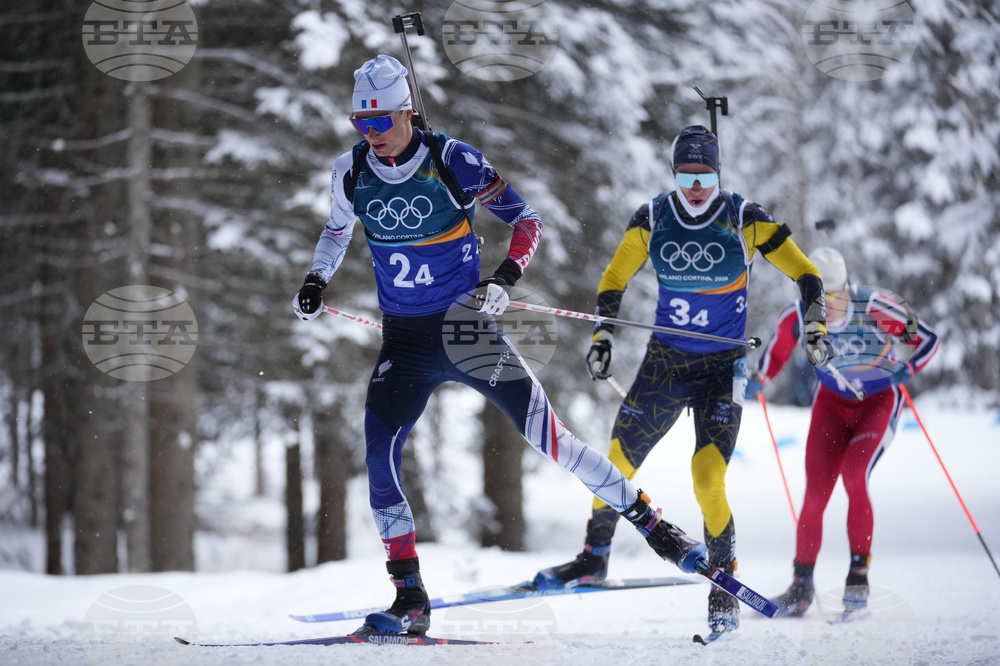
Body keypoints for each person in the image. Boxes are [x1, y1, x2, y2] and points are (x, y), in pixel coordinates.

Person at [293, 55, 709, 637]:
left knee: (551, 440)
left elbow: (527, 221)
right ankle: (410, 598)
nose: (373, 135)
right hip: (404, 343)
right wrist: (315, 281)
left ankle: (656, 527)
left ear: (407, 111)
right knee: (379, 461)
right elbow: (336, 231)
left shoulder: (452, 160)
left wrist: (503, 281)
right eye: (362, 124)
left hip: (468, 332)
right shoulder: (350, 171)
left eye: (382, 122)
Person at [530, 125, 835, 637]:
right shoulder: (653, 218)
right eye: (686, 176)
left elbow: (806, 273)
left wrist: (817, 326)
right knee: (617, 460)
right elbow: (613, 278)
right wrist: (603, 335)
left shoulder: (745, 219)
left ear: (719, 174)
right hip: (665, 363)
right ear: (674, 175)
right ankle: (594, 556)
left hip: (722, 368)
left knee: (707, 478)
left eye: (706, 176)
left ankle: (723, 590)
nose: (696, 186)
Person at [749, 247, 939, 617]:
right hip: (831, 406)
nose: (825, 307)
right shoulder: (799, 316)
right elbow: (774, 356)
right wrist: (758, 379)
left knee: (855, 475)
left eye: (832, 297)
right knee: (816, 492)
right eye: (816, 299)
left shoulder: (875, 306)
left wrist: (909, 369)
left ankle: (858, 582)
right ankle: (801, 587)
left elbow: (927, 340)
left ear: (846, 288)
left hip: (877, 402)